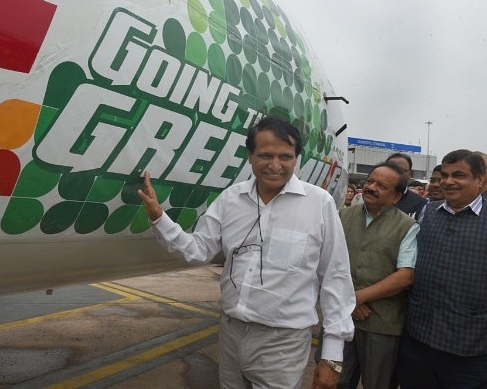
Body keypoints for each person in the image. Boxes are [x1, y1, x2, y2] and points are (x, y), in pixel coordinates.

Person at [138, 116, 356, 389]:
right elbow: (198, 250)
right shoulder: (231, 199)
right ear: (250, 156)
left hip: (283, 340)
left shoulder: (319, 204)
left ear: (296, 158)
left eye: (285, 157)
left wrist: (332, 357)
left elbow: (335, 277)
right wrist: (159, 218)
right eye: (265, 155)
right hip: (231, 332)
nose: (275, 165)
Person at [398, 149, 487, 388]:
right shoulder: (428, 213)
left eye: (459, 175)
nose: (448, 181)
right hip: (418, 344)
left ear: (480, 180)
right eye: (444, 175)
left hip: (471, 352)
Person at [336, 162, 418, 389]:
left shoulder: (407, 226)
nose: (371, 187)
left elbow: (405, 276)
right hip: (340, 315)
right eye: (371, 181)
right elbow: (329, 262)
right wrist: (349, 299)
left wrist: (355, 298)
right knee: (333, 380)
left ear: (396, 197)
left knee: (377, 383)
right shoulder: (343, 215)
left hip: (381, 323)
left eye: (382, 186)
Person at [385, 153, 426, 221]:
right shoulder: (373, 197)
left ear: (410, 174)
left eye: (400, 170)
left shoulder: (421, 204)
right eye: (391, 169)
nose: (395, 174)